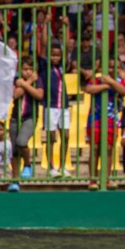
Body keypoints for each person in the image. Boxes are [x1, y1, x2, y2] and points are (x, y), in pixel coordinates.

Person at [84, 60, 125, 187]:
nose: (111, 70)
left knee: (108, 149)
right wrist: (107, 86)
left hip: (111, 119)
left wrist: (110, 82)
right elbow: (89, 89)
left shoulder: (119, 81)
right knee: (95, 148)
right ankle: (93, 179)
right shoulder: (96, 80)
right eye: (109, 67)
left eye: (115, 67)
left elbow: (123, 91)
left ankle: (106, 179)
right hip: (95, 118)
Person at [8, 59, 43, 189]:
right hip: (15, 118)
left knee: (21, 141)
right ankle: (15, 181)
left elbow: (39, 95)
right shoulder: (16, 80)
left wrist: (24, 84)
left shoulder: (38, 80)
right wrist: (28, 82)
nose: (27, 72)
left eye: (30, 69)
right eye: (25, 69)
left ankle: (27, 165)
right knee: (14, 151)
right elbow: (15, 94)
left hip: (30, 117)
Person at [37, 40, 70, 176]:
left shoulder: (61, 67)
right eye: (53, 55)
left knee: (66, 136)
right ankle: (51, 167)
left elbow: (67, 48)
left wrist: (66, 30)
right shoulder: (44, 66)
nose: (55, 58)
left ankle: (62, 166)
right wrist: (45, 28)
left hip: (64, 106)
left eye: (57, 55)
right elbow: (43, 47)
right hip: (50, 106)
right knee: (51, 137)